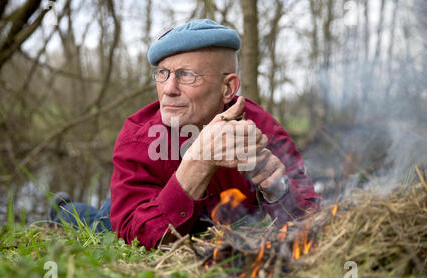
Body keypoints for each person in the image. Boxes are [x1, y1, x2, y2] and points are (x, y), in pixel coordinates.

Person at [50, 19, 321, 249]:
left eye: (187, 75)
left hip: (208, 222)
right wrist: (198, 162)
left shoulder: (261, 127)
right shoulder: (138, 135)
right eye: (163, 73)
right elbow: (133, 235)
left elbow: (309, 210)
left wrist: (279, 190)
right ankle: (61, 209)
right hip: (145, 203)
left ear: (228, 88)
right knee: (98, 223)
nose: (168, 89)